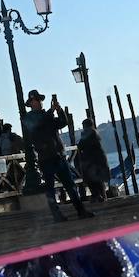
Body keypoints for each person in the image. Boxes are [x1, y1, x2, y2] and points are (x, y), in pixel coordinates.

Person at [22, 90, 94, 221]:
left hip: (58, 155)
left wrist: (59, 110)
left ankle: (80, 211)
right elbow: (37, 126)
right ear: (31, 103)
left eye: (40, 99)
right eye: (37, 100)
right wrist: (51, 111)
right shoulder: (29, 118)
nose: (40, 102)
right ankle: (57, 215)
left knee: (70, 185)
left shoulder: (46, 115)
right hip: (45, 158)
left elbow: (62, 123)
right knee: (50, 188)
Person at [73, 118, 110, 203]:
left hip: (91, 160)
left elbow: (80, 146)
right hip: (98, 159)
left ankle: (97, 195)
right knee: (98, 179)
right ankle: (101, 196)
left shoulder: (87, 133)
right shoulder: (95, 133)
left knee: (91, 179)